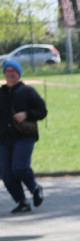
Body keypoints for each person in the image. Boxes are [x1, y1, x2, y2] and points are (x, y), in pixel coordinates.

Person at [0, 59, 46, 214]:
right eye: (7, 71)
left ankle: (35, 189)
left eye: (13, 71)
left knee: (19, 167)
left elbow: (42, 111)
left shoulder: (27, 91)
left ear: (18, 74)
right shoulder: (1, 93)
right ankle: (22, 202)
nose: (10, 73)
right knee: (6, 174)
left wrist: (27, 114)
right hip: (4, 139)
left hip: (24, 136)